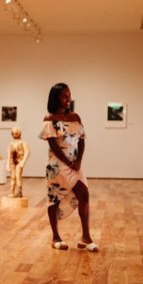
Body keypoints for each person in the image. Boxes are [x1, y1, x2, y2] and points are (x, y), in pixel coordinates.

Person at [39, 83, 98, 252]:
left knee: (84, 195)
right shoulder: (49, 119)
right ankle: (56, 237)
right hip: (57, 166)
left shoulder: (75, 117)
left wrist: (78, 161)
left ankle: (85, 237)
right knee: (54, 199)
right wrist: (67, 161)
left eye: (69, 95)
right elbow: (53, 145)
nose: (68, 99)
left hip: (75, 165)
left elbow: (81, 140)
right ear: (56, 98)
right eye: (64, 96)